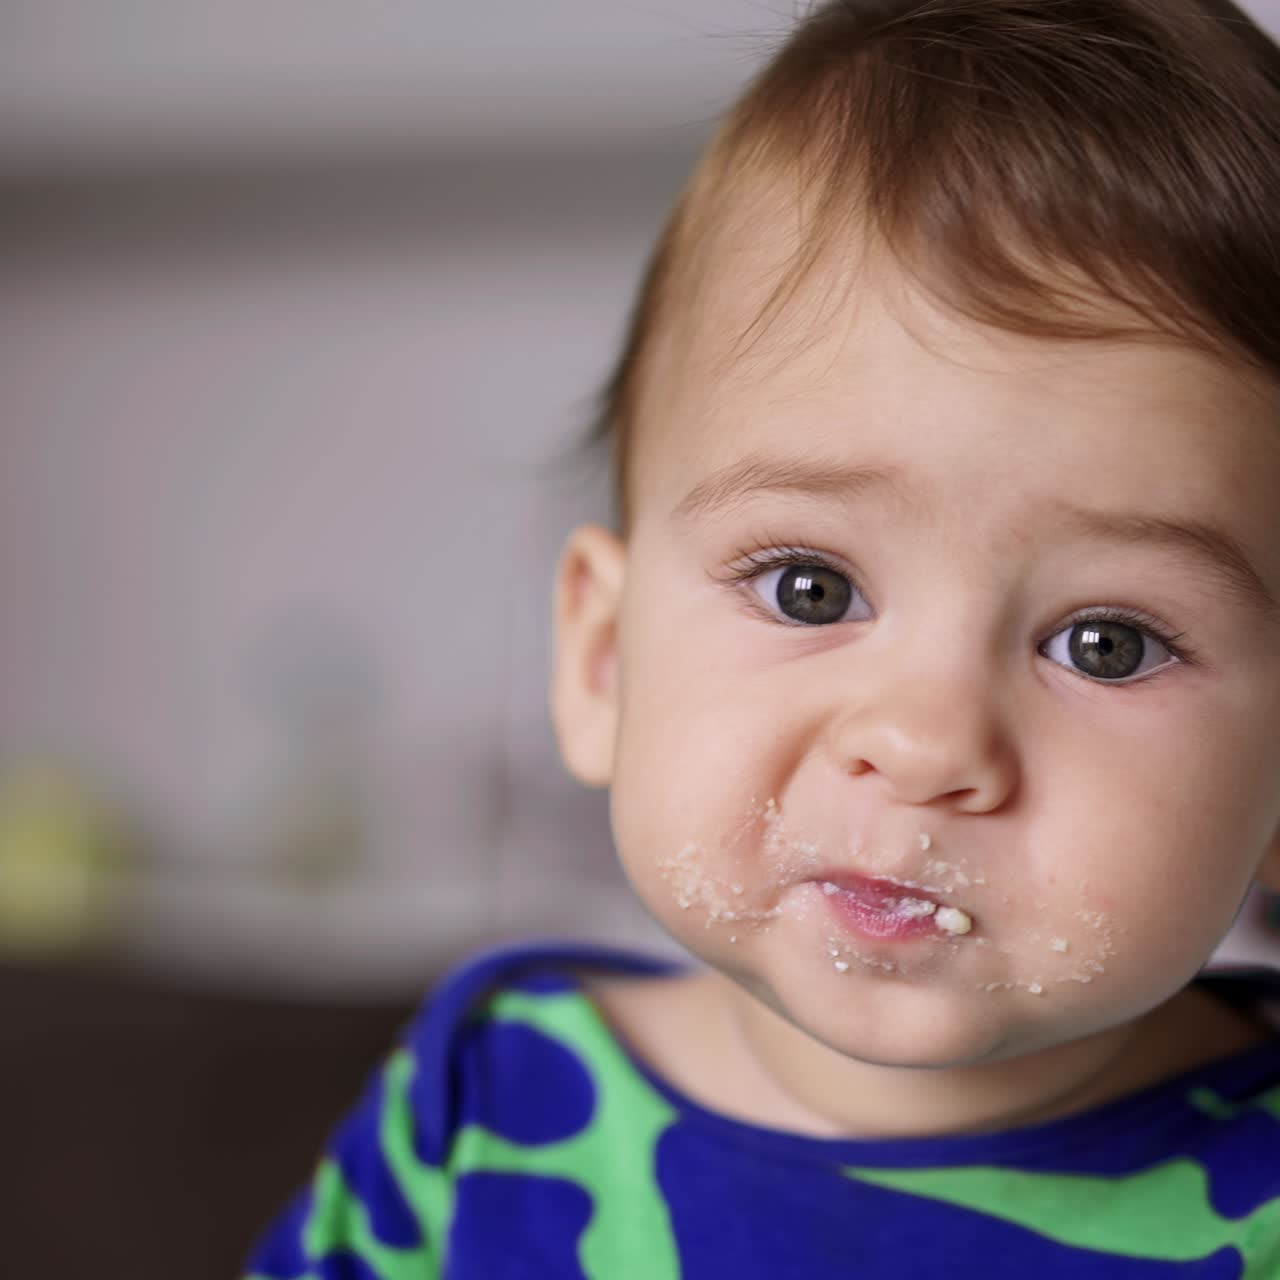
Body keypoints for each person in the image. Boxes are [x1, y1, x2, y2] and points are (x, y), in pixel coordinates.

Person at [242, 1, 1280, 1274]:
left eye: (1106, 642)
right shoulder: (485, 1109)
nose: (920, 741)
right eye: (807, 587)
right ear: (602, 660)